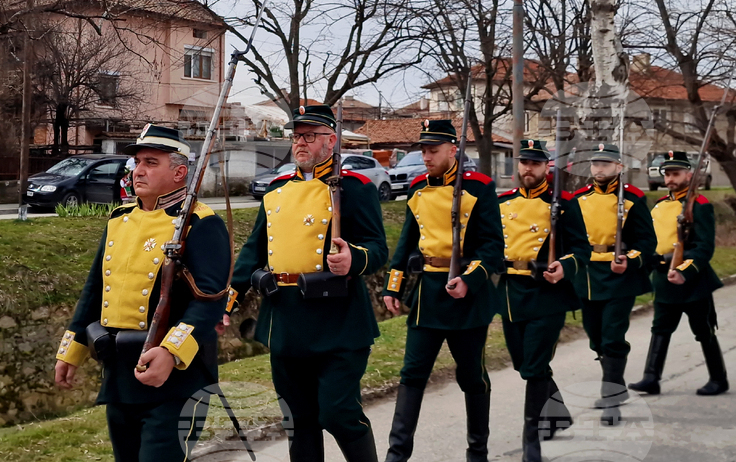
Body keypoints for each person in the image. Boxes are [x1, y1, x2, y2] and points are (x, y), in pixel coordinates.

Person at [53, 124, 231, 462]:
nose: (138, 170)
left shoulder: (201, 223)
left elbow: (209, 300)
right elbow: (95, 290)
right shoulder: (120, 219)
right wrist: (72, 350)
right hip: (121, 373)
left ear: (179, 173)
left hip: (177, 380)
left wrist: (171, 353)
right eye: (137, 162)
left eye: (151, 162)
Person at [226, 105, 387, 462]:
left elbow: (378, 248)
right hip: (285, 320)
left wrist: (354, 258)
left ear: (331, 140)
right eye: (297, 136)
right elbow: (253, 252)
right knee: (298, 422)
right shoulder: (276, 191)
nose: (300, 142)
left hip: (338, 321)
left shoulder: (354, 188)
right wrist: (226, 303)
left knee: (338, 413)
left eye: (309, 135)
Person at [381, 119, 503, 462]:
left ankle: (477, 451)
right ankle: (396, 455)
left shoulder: (479, 187)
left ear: (453, 150)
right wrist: (393, 287)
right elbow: (406, 242)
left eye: (433, 150)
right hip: (428, 296)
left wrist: (470, 279)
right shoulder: (417, 187)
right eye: (423, 150)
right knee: (412, 374)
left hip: (467, 296)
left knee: (472, 376)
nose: (426, 157)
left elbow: (493, 248)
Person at [497, 139, 590, 462]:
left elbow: (582, 250)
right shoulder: (503, 202)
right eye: (524, 162)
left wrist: (565, 266)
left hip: (547, 294)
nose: (528, 169)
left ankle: (531, 442)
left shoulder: (563, 203)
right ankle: (558, 414)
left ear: (546, 167)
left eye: (535, 163)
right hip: (511, 293)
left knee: (535, 368)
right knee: (524, 365)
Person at [629, 150, 727, 396]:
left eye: (676, 173)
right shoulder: (660, 205)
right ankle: (651, 378)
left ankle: (718, 379)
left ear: (688, 175)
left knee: (703, 330)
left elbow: (704, 247)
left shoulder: (700, 205)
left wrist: (684, 270)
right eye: (667, 174)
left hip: (693, 282)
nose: (670, 179)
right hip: (663, 279)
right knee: (660, 329)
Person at [572, 143, 656, 425]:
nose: (599, 168)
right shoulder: (579, 198)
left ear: (619, 167)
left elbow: (647, 242)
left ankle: (611, 398)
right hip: (587, 274)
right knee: (595, 337)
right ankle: (616, 386)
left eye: (606, 164)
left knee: (612, 337)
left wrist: (629, 260)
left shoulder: (632, 198)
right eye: (596, 163)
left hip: (619, 276)